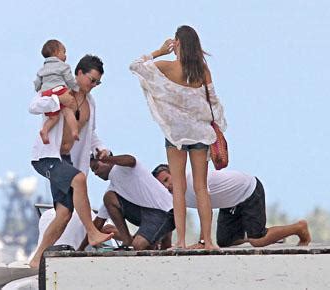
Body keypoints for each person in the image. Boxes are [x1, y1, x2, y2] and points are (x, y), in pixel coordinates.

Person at [130, 25, 227, 250]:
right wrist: (217, 126)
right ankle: (208, 241)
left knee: (179, 188)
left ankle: (181, 242)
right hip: (201, 134)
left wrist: (159, 51)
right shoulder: (202, 70)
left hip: (175, 135)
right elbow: (213, 101)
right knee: (202, 188)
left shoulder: (166, 66)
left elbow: (135, 66)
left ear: (178, 43)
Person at [28, 54, 113, 268]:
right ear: (79, 73)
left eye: (97, 82)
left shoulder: (90, 103)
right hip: (47, 156)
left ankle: (37, 258)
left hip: (65, 159)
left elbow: (91, 133)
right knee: (79, 179)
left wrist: (101, 148)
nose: (93, 86)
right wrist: (58, 100)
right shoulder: (62, 89)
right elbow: (34, 105)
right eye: (91, 80)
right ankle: (93, 233)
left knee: (64, 214)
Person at [152, 164, 312, 248]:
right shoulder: (174, 195)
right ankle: (272, 236)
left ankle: (299, 228)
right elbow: (172, 217)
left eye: (167, 180)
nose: (167, 186)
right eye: (162, 185)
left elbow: (204, 208)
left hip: (248, 190)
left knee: (258, 241)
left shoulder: (192, 180)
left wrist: (202, 241)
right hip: (230, 203)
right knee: (225, 241)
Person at [89, 153, 174, 250]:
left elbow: (131, 160)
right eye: (93, 171)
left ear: (107, 162)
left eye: (96, 167)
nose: (95, 173)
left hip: (165, 213)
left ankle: (153, 243)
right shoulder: (113, 189)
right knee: (109, 198)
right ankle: (127, 242)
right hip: (147, 215)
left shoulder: (123, 168)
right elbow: (98, 223)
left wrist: (107, 158)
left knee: (138, 246)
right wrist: (81, 248)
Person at [34, 39, 80, 144]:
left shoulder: (42, 69)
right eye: (64, 52)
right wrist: (76, 88)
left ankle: (44, 131)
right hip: (59, 89)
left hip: (46, 93)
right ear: (56, 53)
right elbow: (69, 80)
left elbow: (37, 83)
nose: (65, 55)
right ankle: (74, 131)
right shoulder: (64, 66)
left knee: (53, 117)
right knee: (68, 112)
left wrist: (39, 90)